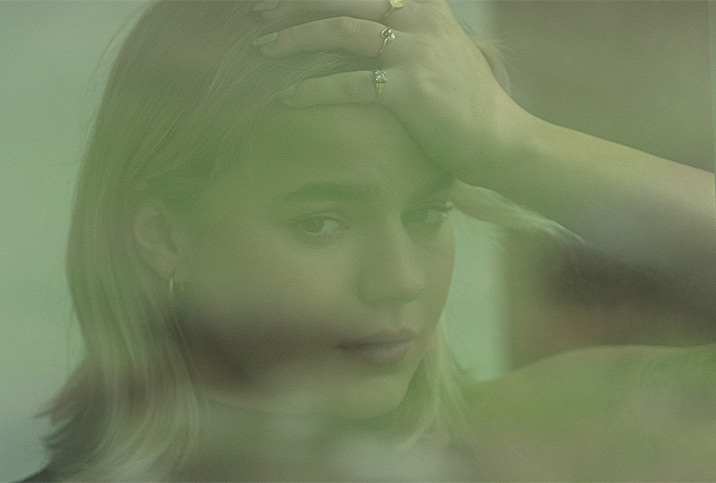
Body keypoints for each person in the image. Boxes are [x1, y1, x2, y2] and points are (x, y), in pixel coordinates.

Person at [26, 0, 716, 480]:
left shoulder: (536, 452)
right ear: (163, 236)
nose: (400, 279)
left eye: (426, 215)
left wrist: (511, 140)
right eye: (321, 222)